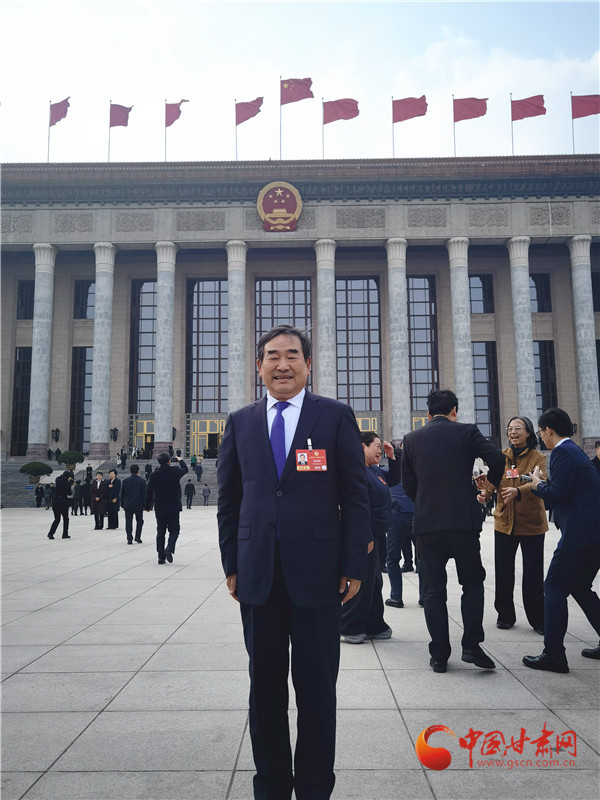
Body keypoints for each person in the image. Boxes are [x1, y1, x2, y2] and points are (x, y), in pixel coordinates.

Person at [217, 323, 370, 800]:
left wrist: (354, 565)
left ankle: (315, 788)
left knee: (317, 691)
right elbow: (229, 500)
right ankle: (270, 788)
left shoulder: (334, 416)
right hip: (258, 574)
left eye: (291, 356)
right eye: (272, 356)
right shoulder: (241, 421)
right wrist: (231, 564)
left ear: (308, 364)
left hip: (319, 575)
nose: (282, 365)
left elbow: (355, 495)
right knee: (264, 691)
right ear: (258, 365)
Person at [401, 389, 504, 674]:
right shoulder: (467, 432)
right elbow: (497, 459)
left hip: (427, 524)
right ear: (454, 411)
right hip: (463, 522)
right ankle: (471, 645)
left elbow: (408, 482)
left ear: (428, 413)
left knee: (433, 591)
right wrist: (490, 485)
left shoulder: (411, 439)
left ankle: (439, 654)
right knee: (472, 583)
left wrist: (425, 502)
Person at [523, 408, 600, 672]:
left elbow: (558, 494)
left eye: (540, 432)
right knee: (579, 586)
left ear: (548, 430)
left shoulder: (562, 452)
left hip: (581, 533)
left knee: (554, 586)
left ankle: (554, 654)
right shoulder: (574, 451)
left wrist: (536, 484)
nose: (541, 437)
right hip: (592, 532)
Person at [476, 416, 548, 635]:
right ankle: (505, 615)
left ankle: (538, 618)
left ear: (528, 433)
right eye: (510, 429)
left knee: (533, 574)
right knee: (503, 572)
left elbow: (541, 482)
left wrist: (519, 491)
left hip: (531, 524)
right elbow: (493, 482)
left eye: (518, 428)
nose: (513, 432)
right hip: (504, 523)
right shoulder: (502, 457)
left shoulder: (538, 457)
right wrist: (484, 493)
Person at [341, 432, 399, 643]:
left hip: (377, 532)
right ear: (363, 446)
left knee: (375, 581)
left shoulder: (374, 470)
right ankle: (349, 626)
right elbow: (357, 507)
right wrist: (365, 536)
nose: (379, 451)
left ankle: (374, 624)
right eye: (376, 446)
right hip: (363, 534)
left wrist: (393, 458)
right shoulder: (357, 472)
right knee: (362, 581)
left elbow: (392, 480)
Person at [386, 438, 415, 608]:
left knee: (392, 558)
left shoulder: (388, 472)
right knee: (423, 558)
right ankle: (424, 596)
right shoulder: (418, 468)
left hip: (396, 516)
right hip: (416, 514)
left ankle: (396, 597)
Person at [145, 452, 188, 564]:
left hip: (160, 507)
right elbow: (185, 469)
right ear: (169, 461)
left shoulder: (154, 475)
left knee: (161, 532)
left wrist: (147, 506)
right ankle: (169, 548)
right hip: (173, 506)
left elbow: (149, 492)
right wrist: (180, 460)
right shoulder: (175, 471)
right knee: (175, 530)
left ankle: (161, 557)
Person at [121, 464, 146, 544]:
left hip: (128, 504)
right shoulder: (142, 481)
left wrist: (122, 504)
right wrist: (145, 505)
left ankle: (129, 538)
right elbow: (144, 494)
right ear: (138, 471)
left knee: (128, 522)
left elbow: (122, 494)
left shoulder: (125, 481)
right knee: (140, 521)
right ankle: (137, 537)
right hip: (138, 504)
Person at [47, 471, 73, 539]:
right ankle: (65, 534)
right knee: (66, 519)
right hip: (63, 503)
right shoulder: (67, 483)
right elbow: (69, 493)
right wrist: (70, 483)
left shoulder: (57, 480)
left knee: (57, 519)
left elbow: (59, 478)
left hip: (55, 502)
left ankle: (50, 533)